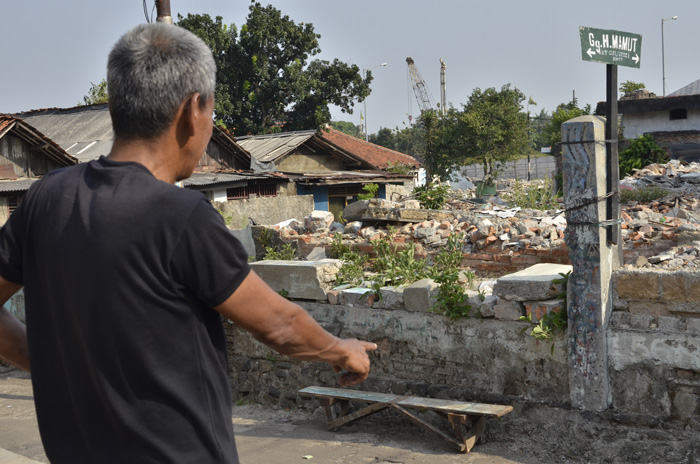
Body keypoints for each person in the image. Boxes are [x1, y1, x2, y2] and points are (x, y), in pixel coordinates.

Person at [0, 23, 376, 463]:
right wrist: (340, 350)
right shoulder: (180, 217)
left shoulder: (46, 199)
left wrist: (49, 365)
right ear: (192, 111)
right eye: (212, 112)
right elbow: (280, 326)